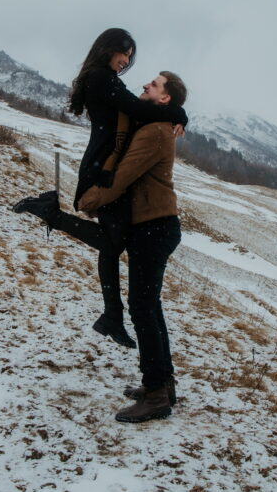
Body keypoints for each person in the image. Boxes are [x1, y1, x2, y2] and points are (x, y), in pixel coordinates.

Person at [11, 28, 187, 350]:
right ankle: (50, 212)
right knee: (112, 241)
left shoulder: (106, 79)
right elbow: (139, 110)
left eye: (131, 57)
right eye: (126, 53)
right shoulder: (99, 78)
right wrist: (178, 111)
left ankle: (112, 316)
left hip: (105, 165)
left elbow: (138, 111)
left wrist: (175, 113)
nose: (127, 61)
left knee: (112, 244)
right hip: (101, 171)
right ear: (110, 48)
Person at [78, 71, 187, 423]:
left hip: (154, 228)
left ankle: (155, 395)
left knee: (142, 309)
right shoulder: (155, 122)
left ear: (166, 98)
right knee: (149, 307)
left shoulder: (155, 131)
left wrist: (88, 199)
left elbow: (123, 174)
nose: (145, 85)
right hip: (154, 226)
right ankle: (163, 384)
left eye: (154, 85)